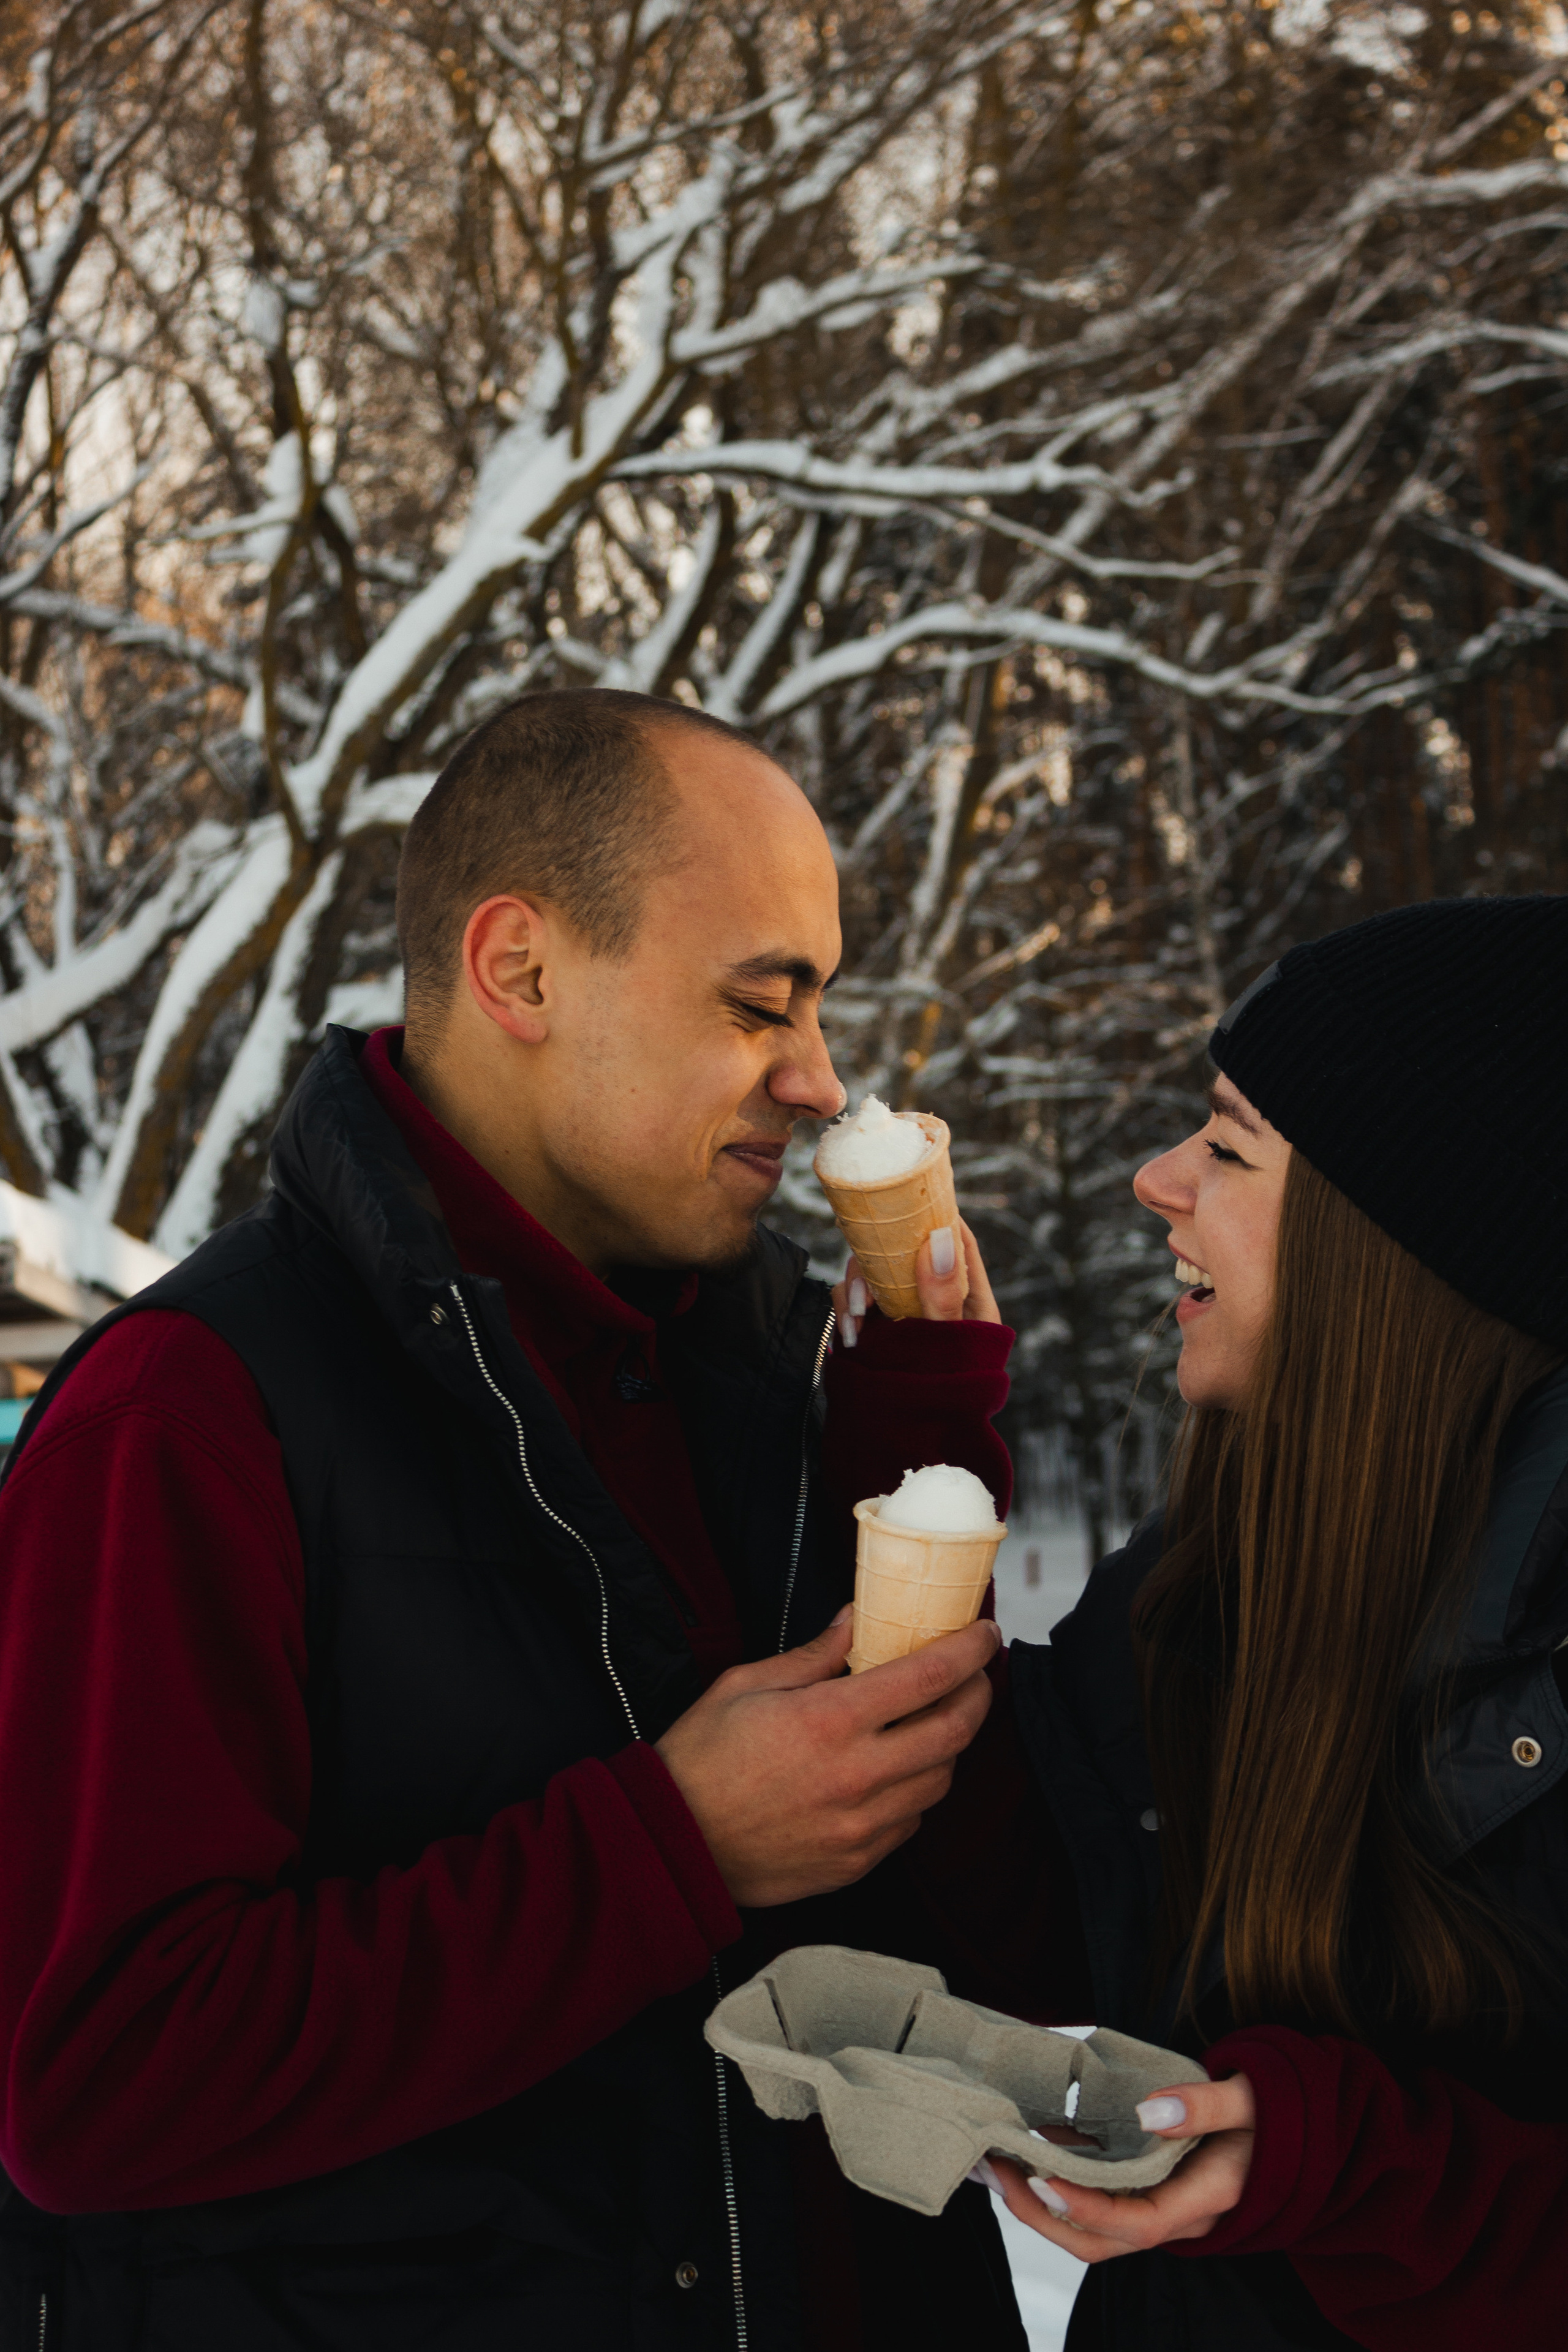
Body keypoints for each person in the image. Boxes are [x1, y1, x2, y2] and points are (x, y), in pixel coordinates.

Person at [0, 689, 1023, 2351]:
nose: (822, 1082)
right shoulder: (186, 1417)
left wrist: (917, 1441)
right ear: (521, 972)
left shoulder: (751, 1364)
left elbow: (906, 1912)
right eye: (763, 1003)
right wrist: (664, 1846)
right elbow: (97, 2082)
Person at [942, 894, 1568, 2349]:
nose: (1158, 1179)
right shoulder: (1222, 1572)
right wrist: (914, 1441)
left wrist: (1345, 2166)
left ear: (1404, 1251)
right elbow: (1016, 1903)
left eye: (1227, 1146)